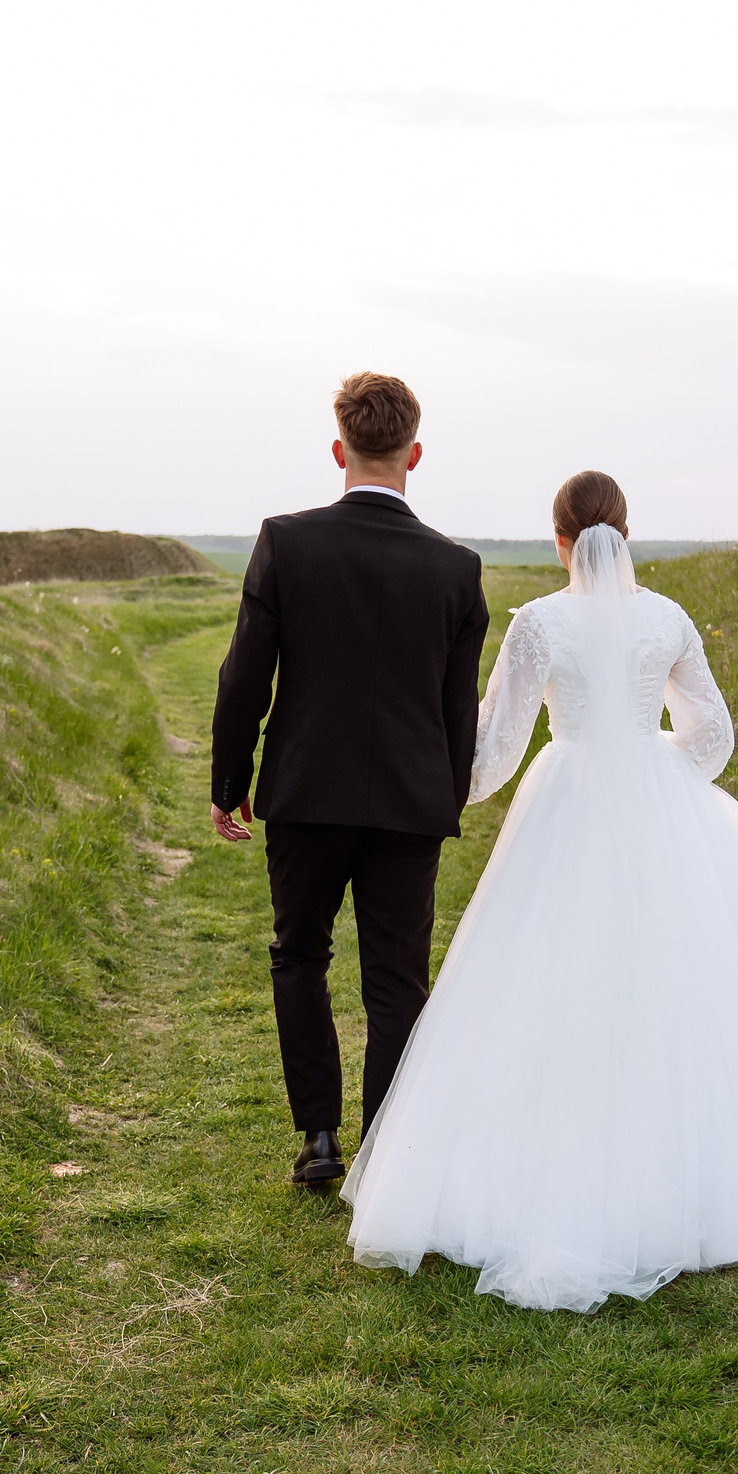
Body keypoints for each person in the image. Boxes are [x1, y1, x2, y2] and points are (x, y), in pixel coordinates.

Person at [341, 471, 738, 1311]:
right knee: (687, 973)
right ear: (625, 534)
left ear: (560, 540)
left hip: (564, 804)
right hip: (659, 793)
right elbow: (714, 733)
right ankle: (705, 1171)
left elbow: (493, 755)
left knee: (547, 975)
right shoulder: (666, 617)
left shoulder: (538, 623)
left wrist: (433, 786)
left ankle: (557, 1159)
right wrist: (660, 765)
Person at [210, 373, 490, 1186]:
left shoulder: (286, 542)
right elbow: (457, 708)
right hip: (410, 803)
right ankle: (386, 1150)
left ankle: (320, 1139)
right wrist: (446, 792)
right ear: (416, 453)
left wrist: (232, 779)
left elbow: (243, 678)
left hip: (304, 792)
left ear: (340, 448)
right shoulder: (457, 568)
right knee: (397, 982)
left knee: (299, 954)